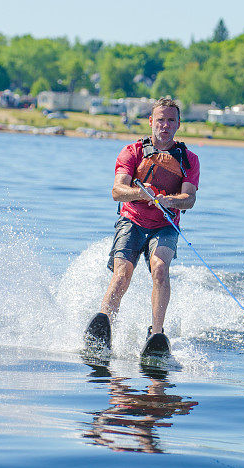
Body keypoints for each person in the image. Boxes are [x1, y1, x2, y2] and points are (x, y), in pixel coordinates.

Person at [87, 97, 200, 346]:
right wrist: (141, 193)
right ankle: (104, 324)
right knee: (123, 273)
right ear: (151, 121)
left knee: (160, 269)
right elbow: (117, 191)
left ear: (178, 124)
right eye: (160, 120)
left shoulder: (188, 159)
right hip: (132, 220)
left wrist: (169, 200)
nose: (165, 125)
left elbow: (189, 198)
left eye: (171, 120)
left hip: (164, 225)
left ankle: (156, 333)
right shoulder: (132, 151)